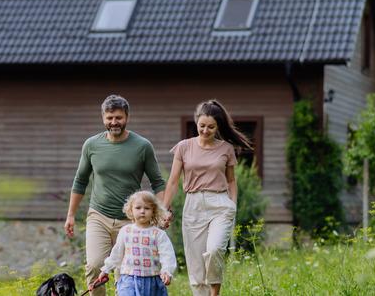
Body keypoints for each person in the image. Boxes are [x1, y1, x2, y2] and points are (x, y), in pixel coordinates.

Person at [65, 94, 167, 296]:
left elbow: (158, 182)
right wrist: (70, 215)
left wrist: (162, 212)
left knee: (126, 272)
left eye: (118, 117)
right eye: (110, 118)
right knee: (94, 266)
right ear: (103, 118)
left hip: (131, 221)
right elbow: (80, 181)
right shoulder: (91, 145)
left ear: (127, 117)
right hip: (99, 216)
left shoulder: (142, 146)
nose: (114, 122)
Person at [163, 100, 253, 296]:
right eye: (201, 126)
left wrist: (232, 205)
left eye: (211, 127)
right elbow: (172, 181)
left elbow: (231, 181)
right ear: (196, 123)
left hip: (220, 204)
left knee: (214, 251)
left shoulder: (226, 149)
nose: (205, 130)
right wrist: (164, 209)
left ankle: (214, 293)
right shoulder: (183, 147)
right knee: (196, 265)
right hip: (193, 204)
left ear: (218, 126)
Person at [99, 191, 176, 296]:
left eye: (147, 208)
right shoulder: (125, 231)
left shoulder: (158, 234)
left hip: (152, 280)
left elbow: (167, 255)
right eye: (138, 208)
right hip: (128, 279)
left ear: (153, 211)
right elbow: (117, 253)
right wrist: (106, 269)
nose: (142, 211)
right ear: (131, 210)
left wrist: (167, 271)